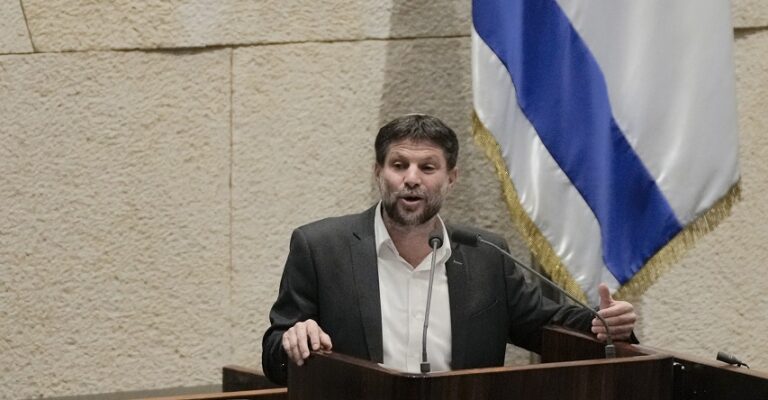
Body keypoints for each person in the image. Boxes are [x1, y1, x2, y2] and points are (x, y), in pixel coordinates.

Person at [262, 114, 636, 385]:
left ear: (451, 179)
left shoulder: (486, 254)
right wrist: (293, 339)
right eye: (398, 165)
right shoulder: (320, 248)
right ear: (378, 172)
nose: (411, 179)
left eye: (427, 167)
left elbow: (543, 325)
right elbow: (274, 353)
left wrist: (601, 323)